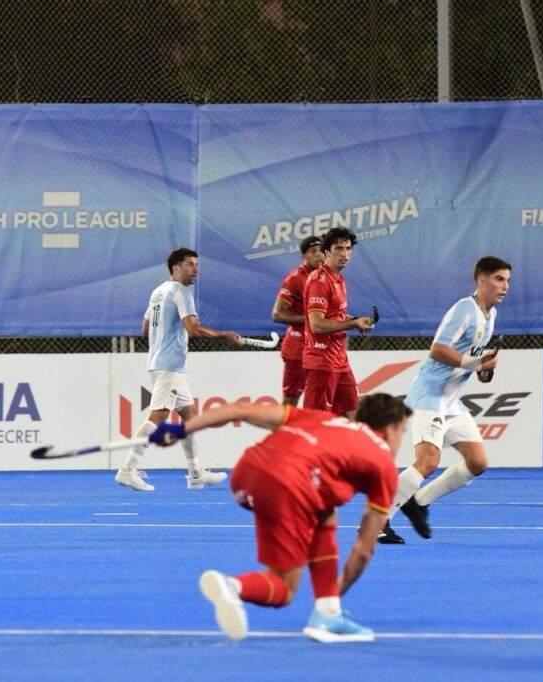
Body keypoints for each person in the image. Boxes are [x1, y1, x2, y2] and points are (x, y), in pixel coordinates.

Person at [148, 393, 410, 642]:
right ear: (389, 430)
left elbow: (240, 410)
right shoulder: (383, 463)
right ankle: (233, 587)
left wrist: (183, 430)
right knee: (283, 588)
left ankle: (327, 612)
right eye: (402, 433)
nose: (400, 441)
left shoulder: (323, 419)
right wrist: (339, 590)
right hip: (287, 486)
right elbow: (363, 549)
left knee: (325, 511)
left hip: (245, 474)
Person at [380, 256, 510, 545]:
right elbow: (437, 350)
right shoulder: (464, 309)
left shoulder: (491, 317)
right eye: (499, 279)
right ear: (481, 281)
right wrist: (477, 364)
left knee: (477, 462)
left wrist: (483, 367)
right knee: (427, 460)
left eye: (508, 280)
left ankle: (419, 502)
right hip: (429, 395)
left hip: (451, 400)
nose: (505, 286)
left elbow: (470, 362)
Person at [115, 247, 241, 492]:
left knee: (190, 419)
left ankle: (196, 474)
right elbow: (194, 329)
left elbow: (145, 328)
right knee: (158, 417)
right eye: (190, 264)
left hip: (160, 363)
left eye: (197, 264)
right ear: (176, 267)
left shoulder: (158, 291)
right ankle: (127, 469)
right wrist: (223, 334)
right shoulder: (182, 292)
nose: (195, 269)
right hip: (169, 365)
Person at [301, 227, 374, 415]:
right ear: (327, 252)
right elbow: (317, 325)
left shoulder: (338, 278)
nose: (345, 254)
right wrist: (351, 324)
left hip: (340, 361)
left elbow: (336, 315)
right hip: (322, 362)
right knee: (315, 422)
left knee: (352, 412)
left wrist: (356, 320)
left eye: (348, 248)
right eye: (339, 249)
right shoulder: (320, 280)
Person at [271, 236, 325, 406]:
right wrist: (310, 319)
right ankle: (284, 432)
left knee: (320, 398)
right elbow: (277, 315)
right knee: (291, 399)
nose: (319, 255)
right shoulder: (295, 279)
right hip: (298, 350)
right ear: (304, 256)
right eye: (313, 251)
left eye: (321, 251)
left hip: (319, 348)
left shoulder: (326, 277)